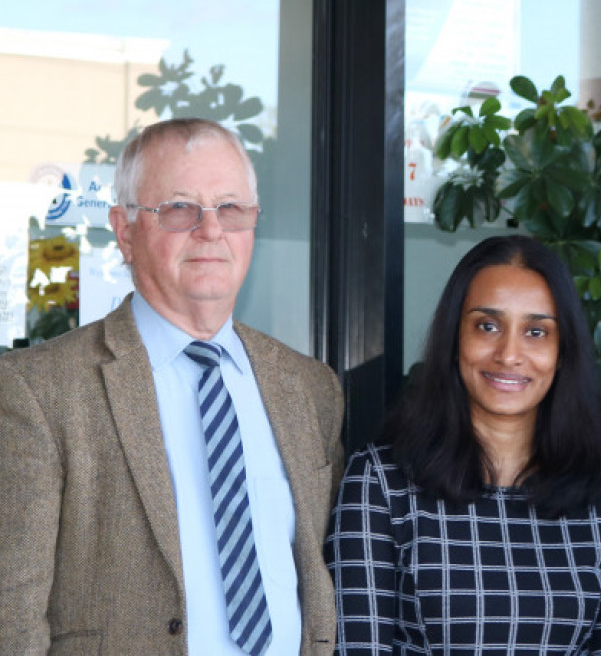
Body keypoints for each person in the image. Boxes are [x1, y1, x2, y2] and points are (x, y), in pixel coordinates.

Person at [0, 118, 344, 654]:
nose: (211, 231)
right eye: (179, 208)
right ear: (125, 230)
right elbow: (11, 615)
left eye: (231, 208)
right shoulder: (38, 391)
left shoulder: (309, 388)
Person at [326, 235, 601, 654]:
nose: (509, 354)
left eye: (536, 331)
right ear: (454, 337)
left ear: (563, 350)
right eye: (487, 326)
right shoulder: (380, 482)